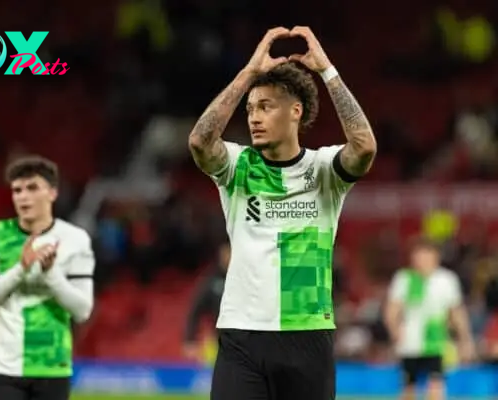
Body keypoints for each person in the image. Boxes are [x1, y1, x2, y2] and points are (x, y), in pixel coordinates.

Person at [188, 25, 377, 400]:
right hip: (241, 334)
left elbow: (364, 147)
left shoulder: (324, 170)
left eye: (266, 106)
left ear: (296, 111)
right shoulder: (237, 166)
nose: (254, 117)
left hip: (307, 334)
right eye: (251, 109)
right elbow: (199, 141)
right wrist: (249, 75)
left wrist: (327, 71)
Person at [0, 156, 96, 400]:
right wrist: (21, 269)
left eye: (32, 188)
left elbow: (82, 310)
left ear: (52, 193)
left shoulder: (75, 239)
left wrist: (51, 274)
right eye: (17, 190)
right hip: (3, 368)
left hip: (53, 366)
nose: (22, 196)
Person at [384, 237, 475, 400]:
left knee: (436, 386)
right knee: (408, 389)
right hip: (409, 343)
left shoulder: (447, 280)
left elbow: (456, 312)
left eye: (425, 255)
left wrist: (465, 339)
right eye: (417, 255)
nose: (421, 260)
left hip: (436, 342)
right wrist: (394, 330)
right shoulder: (404, 278)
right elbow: (392, 309)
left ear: (435, 256)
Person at [182, 242, 230, 362]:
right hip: (216, 339)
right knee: (212, 376)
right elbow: (196, 310)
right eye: (225, 253)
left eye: (230, 253)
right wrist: (190, 338)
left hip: (241, 340)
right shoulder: (210, 281)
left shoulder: (244, 279)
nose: (228, 257)